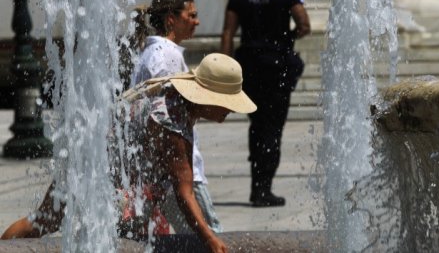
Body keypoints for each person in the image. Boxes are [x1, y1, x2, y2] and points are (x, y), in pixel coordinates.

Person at [1, 53, 257, 253]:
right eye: (226, 103)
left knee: (50, 221)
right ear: (207, 97)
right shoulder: (172, 122)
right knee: (45, 222)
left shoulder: (178, 100)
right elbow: (184, 192)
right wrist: (210, 238)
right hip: (93, 165)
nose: (230, 110)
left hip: (98, 160)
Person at [130, 0, 222, 233]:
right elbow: (166, 119)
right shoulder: (166, 56)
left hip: (164, 171)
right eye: (191, 15)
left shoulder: (154, 52)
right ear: (171, 19)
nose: (197, 21)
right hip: (178, 170)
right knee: (209, 235)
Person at [220, 0, 310, 207]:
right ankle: (263, 188)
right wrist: (285, 38)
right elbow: (304, 25)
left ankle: (257, 186)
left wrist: (223, 69)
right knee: (273, 128)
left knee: (257, 125)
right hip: (277, 65)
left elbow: (227, 33)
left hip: (249, 65)